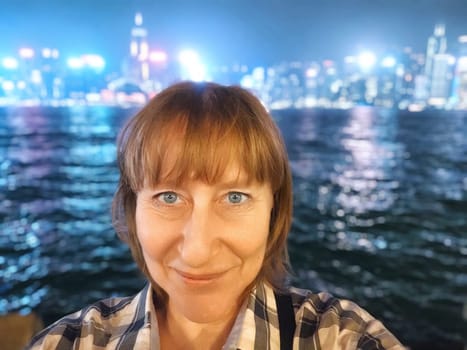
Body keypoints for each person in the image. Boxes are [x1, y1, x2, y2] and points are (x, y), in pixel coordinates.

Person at [28, 81, 404, 349]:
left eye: (235, 197)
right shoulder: (71, 342)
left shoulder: (341, 337)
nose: (197, 251)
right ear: (133, 209)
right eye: (169, 196)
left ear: (273, 210)